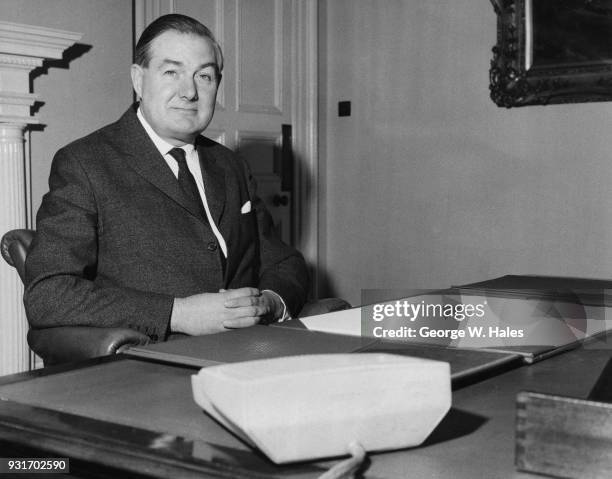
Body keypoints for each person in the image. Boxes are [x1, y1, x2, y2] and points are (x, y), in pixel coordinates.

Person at [24, 14, 309, 342]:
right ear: (138, 79)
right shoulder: (86, 164)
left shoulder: (230, 165)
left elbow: (284, 261)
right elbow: (48, 294)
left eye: (204, 76)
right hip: (153, 365)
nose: (189, 91)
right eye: (171, 72)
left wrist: (271, 303)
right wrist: (178, 313)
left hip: (250, 353)